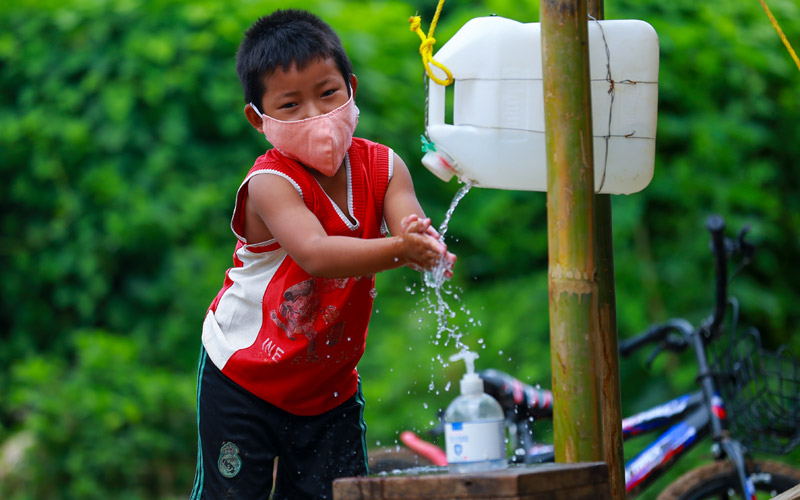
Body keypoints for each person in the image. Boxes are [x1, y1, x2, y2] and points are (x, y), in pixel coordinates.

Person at [190, 8, 455, 500]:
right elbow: (316, 254)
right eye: (290, 105)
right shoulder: (270, 183)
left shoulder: (384, 166)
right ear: (259, 118)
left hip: (327, 387)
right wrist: (403, 250)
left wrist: (424, 242)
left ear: (351, 87)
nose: (315, 116)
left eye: (327, 93)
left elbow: (408, 222)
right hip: (243, 377)